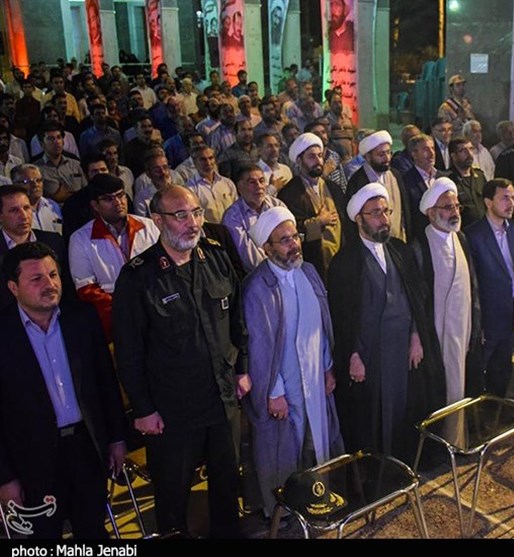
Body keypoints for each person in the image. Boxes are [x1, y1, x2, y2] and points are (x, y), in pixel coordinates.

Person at [113, 185, 251, 538]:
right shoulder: (138, 277)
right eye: (181, 215)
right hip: (172, 409)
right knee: (173, 495)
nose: (193, 223)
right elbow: (129, 352)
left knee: (227, 486)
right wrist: (143, 408)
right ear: (158, 221)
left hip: (222, 398)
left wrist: (242, 370)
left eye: (197, 213)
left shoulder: (216, 257)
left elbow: (237, 320)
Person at [0, 242, 128, 539]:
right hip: (31, 459)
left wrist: (118, 438)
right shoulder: (4, 334)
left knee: (93, 532)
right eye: (36, 279)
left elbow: (106, 383)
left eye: (53, 275)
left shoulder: (81, 318)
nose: (50, 284)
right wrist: (5, 477)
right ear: (13, 287)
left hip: (86, 448)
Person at [326, 183, 445, 464]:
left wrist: (416, 336)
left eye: (386, 212)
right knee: (374, 420)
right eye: (376, 213)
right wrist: (353, 355)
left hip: (404, 351)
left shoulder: (400, 250)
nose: (384, 219)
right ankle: (379, 474)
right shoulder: (345, 262)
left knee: (406, 411)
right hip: (370, 355)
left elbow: (417, 298)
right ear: (359, 219)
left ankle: (404, 467)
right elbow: (341, 317)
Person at [242, 206, 343, 520]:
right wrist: (273, 392)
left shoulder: (308, 271)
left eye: (295, 237)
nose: (294, 245)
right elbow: (259, 347)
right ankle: (284, 514)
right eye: (284, 240)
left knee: (316, 441)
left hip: (314, 376)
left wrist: (327, 366)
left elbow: (321, 327)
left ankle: (318, 498)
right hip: (284, 383)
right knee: (285, 449)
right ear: (266, 248)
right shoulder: (258, 287)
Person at [413, 177, 482, 402]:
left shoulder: (461, 238)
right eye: (447, 207)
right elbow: (415, 299)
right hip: (435, 334)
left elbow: (472, 285)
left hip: (463, 329)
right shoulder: (420, 246)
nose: (454, 212)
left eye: (456, 206)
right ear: (431, 212)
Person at [69, 174, 159, 340]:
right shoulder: (80, 239)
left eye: (120, 195)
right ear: (95, 205)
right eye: (108, 199)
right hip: (115, 322)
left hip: (156, 310)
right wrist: (125, 314)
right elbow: (86, 289)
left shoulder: (149, 226)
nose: (118, 202)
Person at [464, 178, 514, 396]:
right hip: (488, 314)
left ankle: (498, 409)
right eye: (504, 198)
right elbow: (473, 283)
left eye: (513, 198)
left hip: (511, 309)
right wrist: (478, 321)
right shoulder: (473, 235)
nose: (511, 203)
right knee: (480, 369)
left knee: (503, 369)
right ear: (488, 202)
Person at [277, 132, 344, 282]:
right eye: (311, 157)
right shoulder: (290, 193)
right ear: (299, 160)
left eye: (320, 156)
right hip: (310, 264)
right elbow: (290, 231)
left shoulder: (333, 188)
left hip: (340, 262)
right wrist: (318, 222)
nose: (318, 161)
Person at [0, 185, 74, 312]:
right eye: (14, 210)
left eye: (26, 208)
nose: (24, 216)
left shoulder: (53, 241)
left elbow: (67, 287)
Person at [346, 129, 410, 243]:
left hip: (398, 242)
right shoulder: (357, 182)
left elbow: (405, 212)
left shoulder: (395, 175)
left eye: (389, 152)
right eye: (381, 154)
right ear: (368, 157)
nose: (387, 158)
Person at [222, 164, 287, 273]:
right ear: (240, 188)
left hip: (286, 265)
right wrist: (277, 269)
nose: (259, 186)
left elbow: (289, 239)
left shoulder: (277, 205)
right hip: (258, 274)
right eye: (252, 182)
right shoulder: (232, 217)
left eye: (262, 181)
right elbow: (251, 259)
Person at [402, 133, 444, 241]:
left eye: (432, 148)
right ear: (414, 154)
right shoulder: (406, 181)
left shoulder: (443, 178)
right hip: (422, 238)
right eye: (425, 149)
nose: (431, 153)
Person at [185, 145, 238, 224]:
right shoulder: (190, 189)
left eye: (211, 158)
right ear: (195, 162)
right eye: (203, 159)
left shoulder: (227, 183)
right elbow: (196, 216)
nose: (208, 162)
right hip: (209, 230)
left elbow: (237, 208)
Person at [10, 164, 63, 235]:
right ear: (15, 185)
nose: (35, 185)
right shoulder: (12, 213)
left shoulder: (53, 206)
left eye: (38, 180)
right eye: (27, 181)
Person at [447, 136, 487, 228]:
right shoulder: (448, 180)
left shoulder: (479, 175)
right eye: (463, 151)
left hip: (483, 228)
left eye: (471, 149)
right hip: (463, 229)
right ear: (453, 156)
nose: (469, 154)